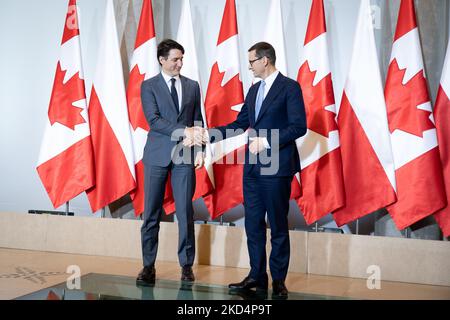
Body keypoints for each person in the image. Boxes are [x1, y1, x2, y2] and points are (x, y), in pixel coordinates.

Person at [208, 42, 307, 297]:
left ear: (265, 60)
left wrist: (268, 140)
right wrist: (209, 135)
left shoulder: (289, 87)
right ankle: (257, 276)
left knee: (277, 225)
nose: (249, 66)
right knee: (253, 224)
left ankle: (279, 281)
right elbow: (240, 124)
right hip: (252, 169)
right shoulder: (253, 91)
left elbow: (299, 127)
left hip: (277, 168)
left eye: (251, 61)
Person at [137, 39, 205, 286]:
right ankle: (148, 266)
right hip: (156, 155)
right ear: (162, 60)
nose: (180, 63)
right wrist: (185, 132)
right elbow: (154, 121)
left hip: (185, 156)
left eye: (182, 58)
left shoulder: (192, 86)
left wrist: (200, 149)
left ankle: (186, 266)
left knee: (185, 212)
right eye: (175, 59)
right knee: (151, 214)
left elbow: (198, 120)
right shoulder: (148, 86)